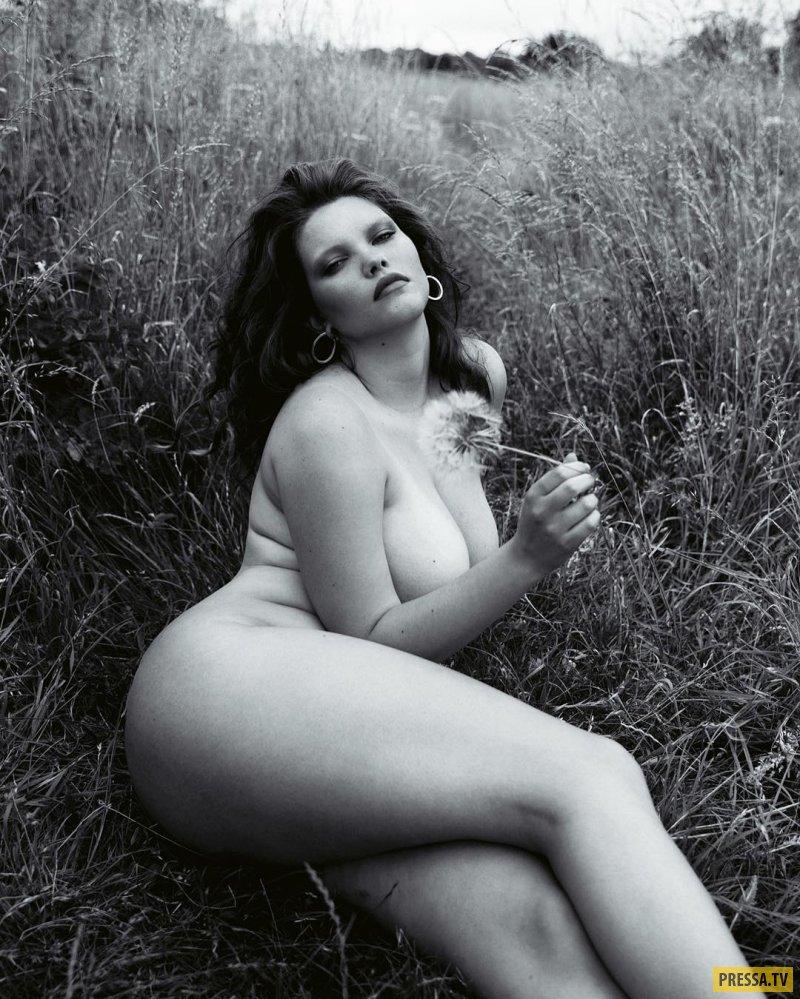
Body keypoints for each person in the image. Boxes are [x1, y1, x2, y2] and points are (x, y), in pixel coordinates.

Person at [124, 158, 763, 999]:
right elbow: (370, 640)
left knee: (533, 921)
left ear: (418, 256)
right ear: (318, 315)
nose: (371, 259)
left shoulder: (472, 379)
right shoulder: (326, 423)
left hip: (309, 738)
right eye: (334, 263)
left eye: (381, 236)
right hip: (226, 692)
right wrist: (525, 557)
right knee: (591, 775)